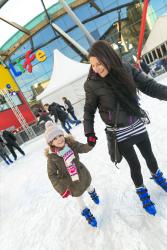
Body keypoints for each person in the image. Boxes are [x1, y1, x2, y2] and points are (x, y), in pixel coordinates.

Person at [83, 40, 167, 216]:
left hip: (136, 123)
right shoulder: (92, 84)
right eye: (93, 65)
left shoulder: (126, 69)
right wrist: (89, 133)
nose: (96, 68)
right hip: (119, 133)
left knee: (150, 156)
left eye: (99, 63)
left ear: (108, 58)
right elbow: (88, 111)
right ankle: (141, 191)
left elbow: (149, 86)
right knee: (134, 165)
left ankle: (158, 176)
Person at [44, 121, 99, 227]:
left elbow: (83, 148)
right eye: (55, 138)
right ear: (51, 143)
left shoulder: (72, 144)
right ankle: (87, 214)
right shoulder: (52, 158)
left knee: (89, 186)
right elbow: (52, 175)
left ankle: (93, 194)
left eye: (60, 135)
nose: (59, 139)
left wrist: (91, 143)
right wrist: (61, 189)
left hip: (82, 174)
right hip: (71, 183)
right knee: (79, 199)